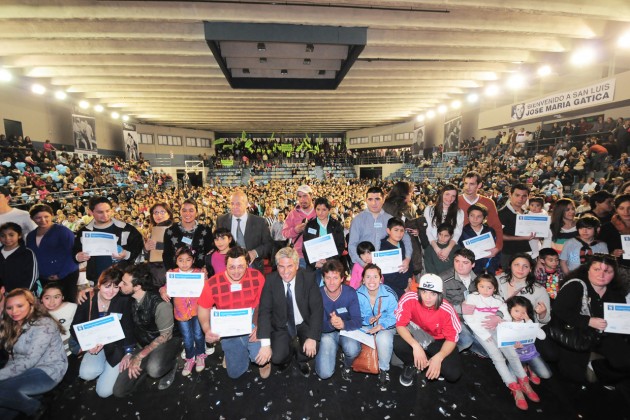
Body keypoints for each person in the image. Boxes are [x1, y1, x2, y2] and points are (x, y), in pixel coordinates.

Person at [463, 274, 539, 410]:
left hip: (499, 329)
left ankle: (524, 381)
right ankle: (514, 387)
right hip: (482, 332)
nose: (485, 290)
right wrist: (484, 334)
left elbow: (505, 311)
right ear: (477, 286)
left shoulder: (498, 299)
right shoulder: (471, 297)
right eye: (482, 286)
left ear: (495, 288)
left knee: (512, 355)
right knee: (497, 357)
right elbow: (468, 318)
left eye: (489, 287)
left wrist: (499, 317)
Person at [551, 254, 630, 385]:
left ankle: (597, 368)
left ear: (614, 274)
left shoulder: (616, 293)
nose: (601, 275)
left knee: (625, 362)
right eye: (597, 269)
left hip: (607, 335)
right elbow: (560, 310)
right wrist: (587, 321)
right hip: (578, 333)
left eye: (607, 271)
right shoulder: (576, 286)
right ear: (588, 269)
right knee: (573, 378)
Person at [197, 247, 267, 379]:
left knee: (259, 358)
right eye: (231, 267)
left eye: (240, 266)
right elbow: (203, 308)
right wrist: (207, 330)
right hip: (227, 324)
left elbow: (265, 304)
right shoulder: (212, 283)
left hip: (253, 319)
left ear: (248, 264)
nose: (236, 272)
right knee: (235, 373)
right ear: (225, 265)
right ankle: (232, 351)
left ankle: (259, 355)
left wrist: (261, 327)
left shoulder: (257, 276)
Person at [114, 263, 180, 396]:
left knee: (154, 369)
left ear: (137, 286)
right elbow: (105, 292)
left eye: (124, 283)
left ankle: (172, 362)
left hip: (167, 341)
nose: (120, 285)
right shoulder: (127, 298)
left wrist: (139, 356)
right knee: (119, 391)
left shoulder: (160, 304)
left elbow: (166, 336)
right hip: (143, 343)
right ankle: (146, 365)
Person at [0, 289, 67, 419]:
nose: (14, 311)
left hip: (47, 370)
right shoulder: (11, 324)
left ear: (31, 304)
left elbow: (31, 360)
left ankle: (36, 408)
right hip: (22, 371)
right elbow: (12, 358)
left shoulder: (44, 324)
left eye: (20, 306)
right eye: (9, 308)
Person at [257, 247, 323, 377]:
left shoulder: (308, 278)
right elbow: (264, 311)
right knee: (277, 358)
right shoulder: (270, 281)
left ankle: (301, 359)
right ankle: (287, 358)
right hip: (282, 325)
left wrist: (312, 337)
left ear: (297, 265)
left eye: (289, 266)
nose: (285, 271)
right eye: (281, 266)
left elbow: (317, 309)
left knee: (312, 348)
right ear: (277, 266)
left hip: (303, 323)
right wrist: (265, 344)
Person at [71, 267, 135, 398]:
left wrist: (128, 352)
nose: (111, 291)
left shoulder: (123, 300)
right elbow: (74, 327)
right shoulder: (87, 299)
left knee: (103, 392)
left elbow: (128, 327)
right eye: (107, 286)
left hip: (117, 347)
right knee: (86, 373)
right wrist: (87, 344)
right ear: (99, 285)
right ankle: (101, 366)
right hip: (96, 345)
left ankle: (110, 370)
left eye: (116, 287)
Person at [394, 274, 462, 387]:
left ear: (440, 294)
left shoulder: (447, 309)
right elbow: (400, 324)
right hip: (416, 333)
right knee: (398, 343)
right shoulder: (409, 298)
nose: (427, 297)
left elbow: (452, 339)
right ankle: (411, 363)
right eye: (424, 292)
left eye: (433, 293)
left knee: (453, 373)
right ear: (419, 291)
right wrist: (416, 346)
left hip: (438, 340)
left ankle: (431, 360)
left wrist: (439, 357)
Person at [74, 196, 143, 287]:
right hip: (96, 281)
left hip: (122, 281)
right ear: (91, 212)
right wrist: (77, 256)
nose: (105, 215)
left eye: (108, 211)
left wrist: (126, 254)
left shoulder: (126, 229)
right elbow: (74, 250)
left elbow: (138, 246)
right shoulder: (83, 232)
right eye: (100, 212)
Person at [159, 247, 206, 377]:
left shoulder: (199, 273)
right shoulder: (172, 274)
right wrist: (163, 291)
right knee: (187, 337)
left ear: (193, 260)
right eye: (181, 260)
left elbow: (207, 288)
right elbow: (165, 287)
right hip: (181, 312)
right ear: (176, 261)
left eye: (188, 260)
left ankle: (200, 355)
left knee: (198, 334)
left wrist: (206, 278)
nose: (184, 263)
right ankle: (190, 358)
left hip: (198, 310)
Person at [315, 259, 361, 381]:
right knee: (324, 374)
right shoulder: (317, 295)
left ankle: (347, 365)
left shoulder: (350, 293)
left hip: (346, 330)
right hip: (326, 334)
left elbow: (357, 321)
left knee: (352, 349)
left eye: (335, 278)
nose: (331, 282)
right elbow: (316, 325)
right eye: (328, 278)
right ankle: (329, 351)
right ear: (323, 278)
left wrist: (343, 324)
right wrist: (331, 324)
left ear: (342, 279)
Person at [348, 186, 411, 272]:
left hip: (387, 267)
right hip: (363, 268)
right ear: (366, 200)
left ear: (383, 199)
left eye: (377, 199)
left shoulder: (390, 219)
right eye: (370, 199)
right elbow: (352, 245)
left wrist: (407, 258)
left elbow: (406, 238)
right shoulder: (358, 220)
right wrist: (363, 264)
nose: (374, 203)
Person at [356, 263, 398, 390]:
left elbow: (396, 316)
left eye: (375, 277)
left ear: (381, 279)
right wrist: (368, 319)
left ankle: (384, 369)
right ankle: (356, 362)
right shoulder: (357, 294)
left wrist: (381, 325)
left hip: (387, 325)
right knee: (352, 337)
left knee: (382, 338)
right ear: (363, 280)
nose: (371, 281)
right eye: (368, 277)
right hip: (365, 325)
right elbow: (356, 315)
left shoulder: (390, 294)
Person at [27, 204, 79, 303]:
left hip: (67, 275)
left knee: (68, 302)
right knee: (50, 303)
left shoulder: (63, 231)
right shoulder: (30, 236)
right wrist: (41, 274)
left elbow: (73, 254)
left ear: (52, 215)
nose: (43, 220)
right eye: (38, 217)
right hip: (44, 277)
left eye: (46, 216)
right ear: (32, 218)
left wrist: (60, 274)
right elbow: (32, 257)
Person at [216, 190, 272, 273]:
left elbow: (268, 244)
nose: (234, 206)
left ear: (246, 204)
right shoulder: (221, 220)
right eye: (232, 203)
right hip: (228, 267)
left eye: (238, 204)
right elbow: (216, 241)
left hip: (252, 266)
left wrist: (254, 253)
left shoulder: (260, 222)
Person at [506, 296, 551, 385]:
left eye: (523, 312)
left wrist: (529, 321)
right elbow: (502, 343)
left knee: (546, 375)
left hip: (531, 354)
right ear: (510, 309)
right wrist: (513, 347)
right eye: (516, 311)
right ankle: (523, 367)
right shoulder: (506, 324)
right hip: (515, 357)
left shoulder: (528, 323)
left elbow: (542, 336)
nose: (519, 315)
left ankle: (530, 367)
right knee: (512, 380)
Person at [383, 181, 424, 276]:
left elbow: (413, 224)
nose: (411, 195)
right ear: (404, 193)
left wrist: (416, 230)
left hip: (409, 244)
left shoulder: (410, 207)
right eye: (410, 193)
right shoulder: (388, 206)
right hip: (394, 245)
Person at [458, 171, 503, 258]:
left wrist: (497, 247)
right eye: (466, 183)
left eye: (471, 184)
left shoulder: (488, 202)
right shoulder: (455, 201)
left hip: (482, 247)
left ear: (479, 185)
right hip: (460, 247)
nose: (467, 187)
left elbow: (496, 226)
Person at [497, 254, 551, 325]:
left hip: (522, 331)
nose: (520, 269)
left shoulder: (539, 290)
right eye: (516, 265)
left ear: (530, 269)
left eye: (525, 266)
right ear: (510, 266)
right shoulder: (497, 280)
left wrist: (542, 313)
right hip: (496, 327)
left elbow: (546, 320)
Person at [302, 197, 345, 284]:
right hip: (314, 265)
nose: (320, 212)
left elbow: (340, 245)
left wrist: (329, 260)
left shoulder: (336, 224)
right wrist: (314, 263)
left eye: (324, 210)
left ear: (329, 210)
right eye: (318, 209)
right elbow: (305, 247)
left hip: (332, 263)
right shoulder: (310, 225)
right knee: (313, 290)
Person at [162, 199, 213, 272]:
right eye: (184, 210)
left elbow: (210, 252)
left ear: (197, 212)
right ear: (180, 212)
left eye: (191, 210)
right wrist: (169, 269)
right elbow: (167, 253)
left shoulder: (205, 230)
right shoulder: (170, 231)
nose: (187, 213)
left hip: (200, 273)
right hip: (177, 273)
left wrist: (206, 268)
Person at [598, 193, 630, 294]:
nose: (626, 212)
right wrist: (611, 254)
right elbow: (598, 252)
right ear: (616, 209)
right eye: (621, 208)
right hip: (616, 272)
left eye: (629, 208)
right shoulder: (607, 228)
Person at [424, 184, 464, 261]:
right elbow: (428, 230)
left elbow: (457, 233)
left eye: (453, 196)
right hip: (433, 247)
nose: (450, 198)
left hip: (451, 248)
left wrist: (448, 249)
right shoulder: (429, 209)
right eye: (447, 194)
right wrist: (437, 249)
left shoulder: (459, 212)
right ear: (442, 194)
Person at [498, 183, 534, 270]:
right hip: (508, 254)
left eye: (524, 196)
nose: (520, 199)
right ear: (510, 194)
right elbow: (499, 236)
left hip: (526, 252)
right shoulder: (501, 214)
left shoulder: (528, 213)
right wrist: (523, 238)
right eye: (517, 195)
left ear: (528, 197)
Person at [458, 203, 500, 274]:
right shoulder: (462, 232)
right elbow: (459, 251)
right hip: (471, 270)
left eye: (479, 216)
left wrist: (494, 265)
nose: (475, 219)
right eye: (472, 215)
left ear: (484, 218)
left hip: (489, 268)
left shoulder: (490, 231)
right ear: (468, 216)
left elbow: (497, 249)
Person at [282, 185, 317, 268]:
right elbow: (284, 233)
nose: (302, 199)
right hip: (299, 256)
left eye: (305, 196)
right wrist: (295, 230)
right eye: (299, 197)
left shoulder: (319, 212)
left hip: (317, 255)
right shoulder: (292, 214)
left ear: (311, 196)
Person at [380, 217, 414, 299]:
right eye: (396, 230)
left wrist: (409, 278)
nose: (399, 233)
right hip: (390, 286)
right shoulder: (382, 247)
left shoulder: (403, 244)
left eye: (401, 230)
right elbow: (387, 273)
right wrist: (404, 285)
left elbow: (409, 261)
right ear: (388, 231)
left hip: (405, 282)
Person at [41, 282, 78, 356]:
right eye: (47, 298)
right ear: (41, 299)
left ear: (63, 297)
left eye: (56, 297)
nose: (52, 301)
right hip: (49, 353)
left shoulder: (72, 308)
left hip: (72, 350)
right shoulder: (38, 314)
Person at [0, 222, 38, 293]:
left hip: (24, 295)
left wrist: (23, 294)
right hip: (3, 296)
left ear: (19, 235)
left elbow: (32, 277)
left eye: (11, 235)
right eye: (3, 236)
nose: (7, 238)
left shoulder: (27, 253)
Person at [143, 202, 173, 288]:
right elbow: (147, 255)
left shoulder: (176, 229)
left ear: (169, 214)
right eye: (155, 212)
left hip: (167, 271)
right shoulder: (152, 230)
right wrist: (146, 248)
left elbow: (179, 249)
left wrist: (158, 245)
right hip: (153, 271)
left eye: (162, 212)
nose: (159, 215)